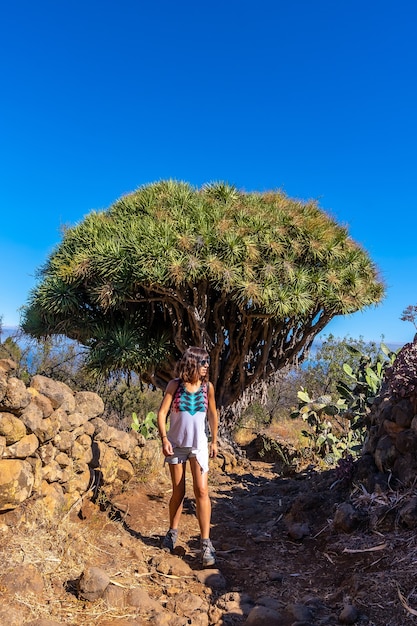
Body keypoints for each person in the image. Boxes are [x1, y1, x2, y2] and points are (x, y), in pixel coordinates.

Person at [157, 346, 219, 567]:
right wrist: (164, 438)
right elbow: (162, 413)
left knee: (202, 491)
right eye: (203, 362)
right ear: (192, 363)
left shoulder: (207, 388)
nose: (206, 366)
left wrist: (214, 440)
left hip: (198, 446)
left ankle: (205, 542)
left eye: (207, 362)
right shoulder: (175, 386)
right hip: (176, 445)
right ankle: (172, 533)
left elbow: (212, 413)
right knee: (178, 491)